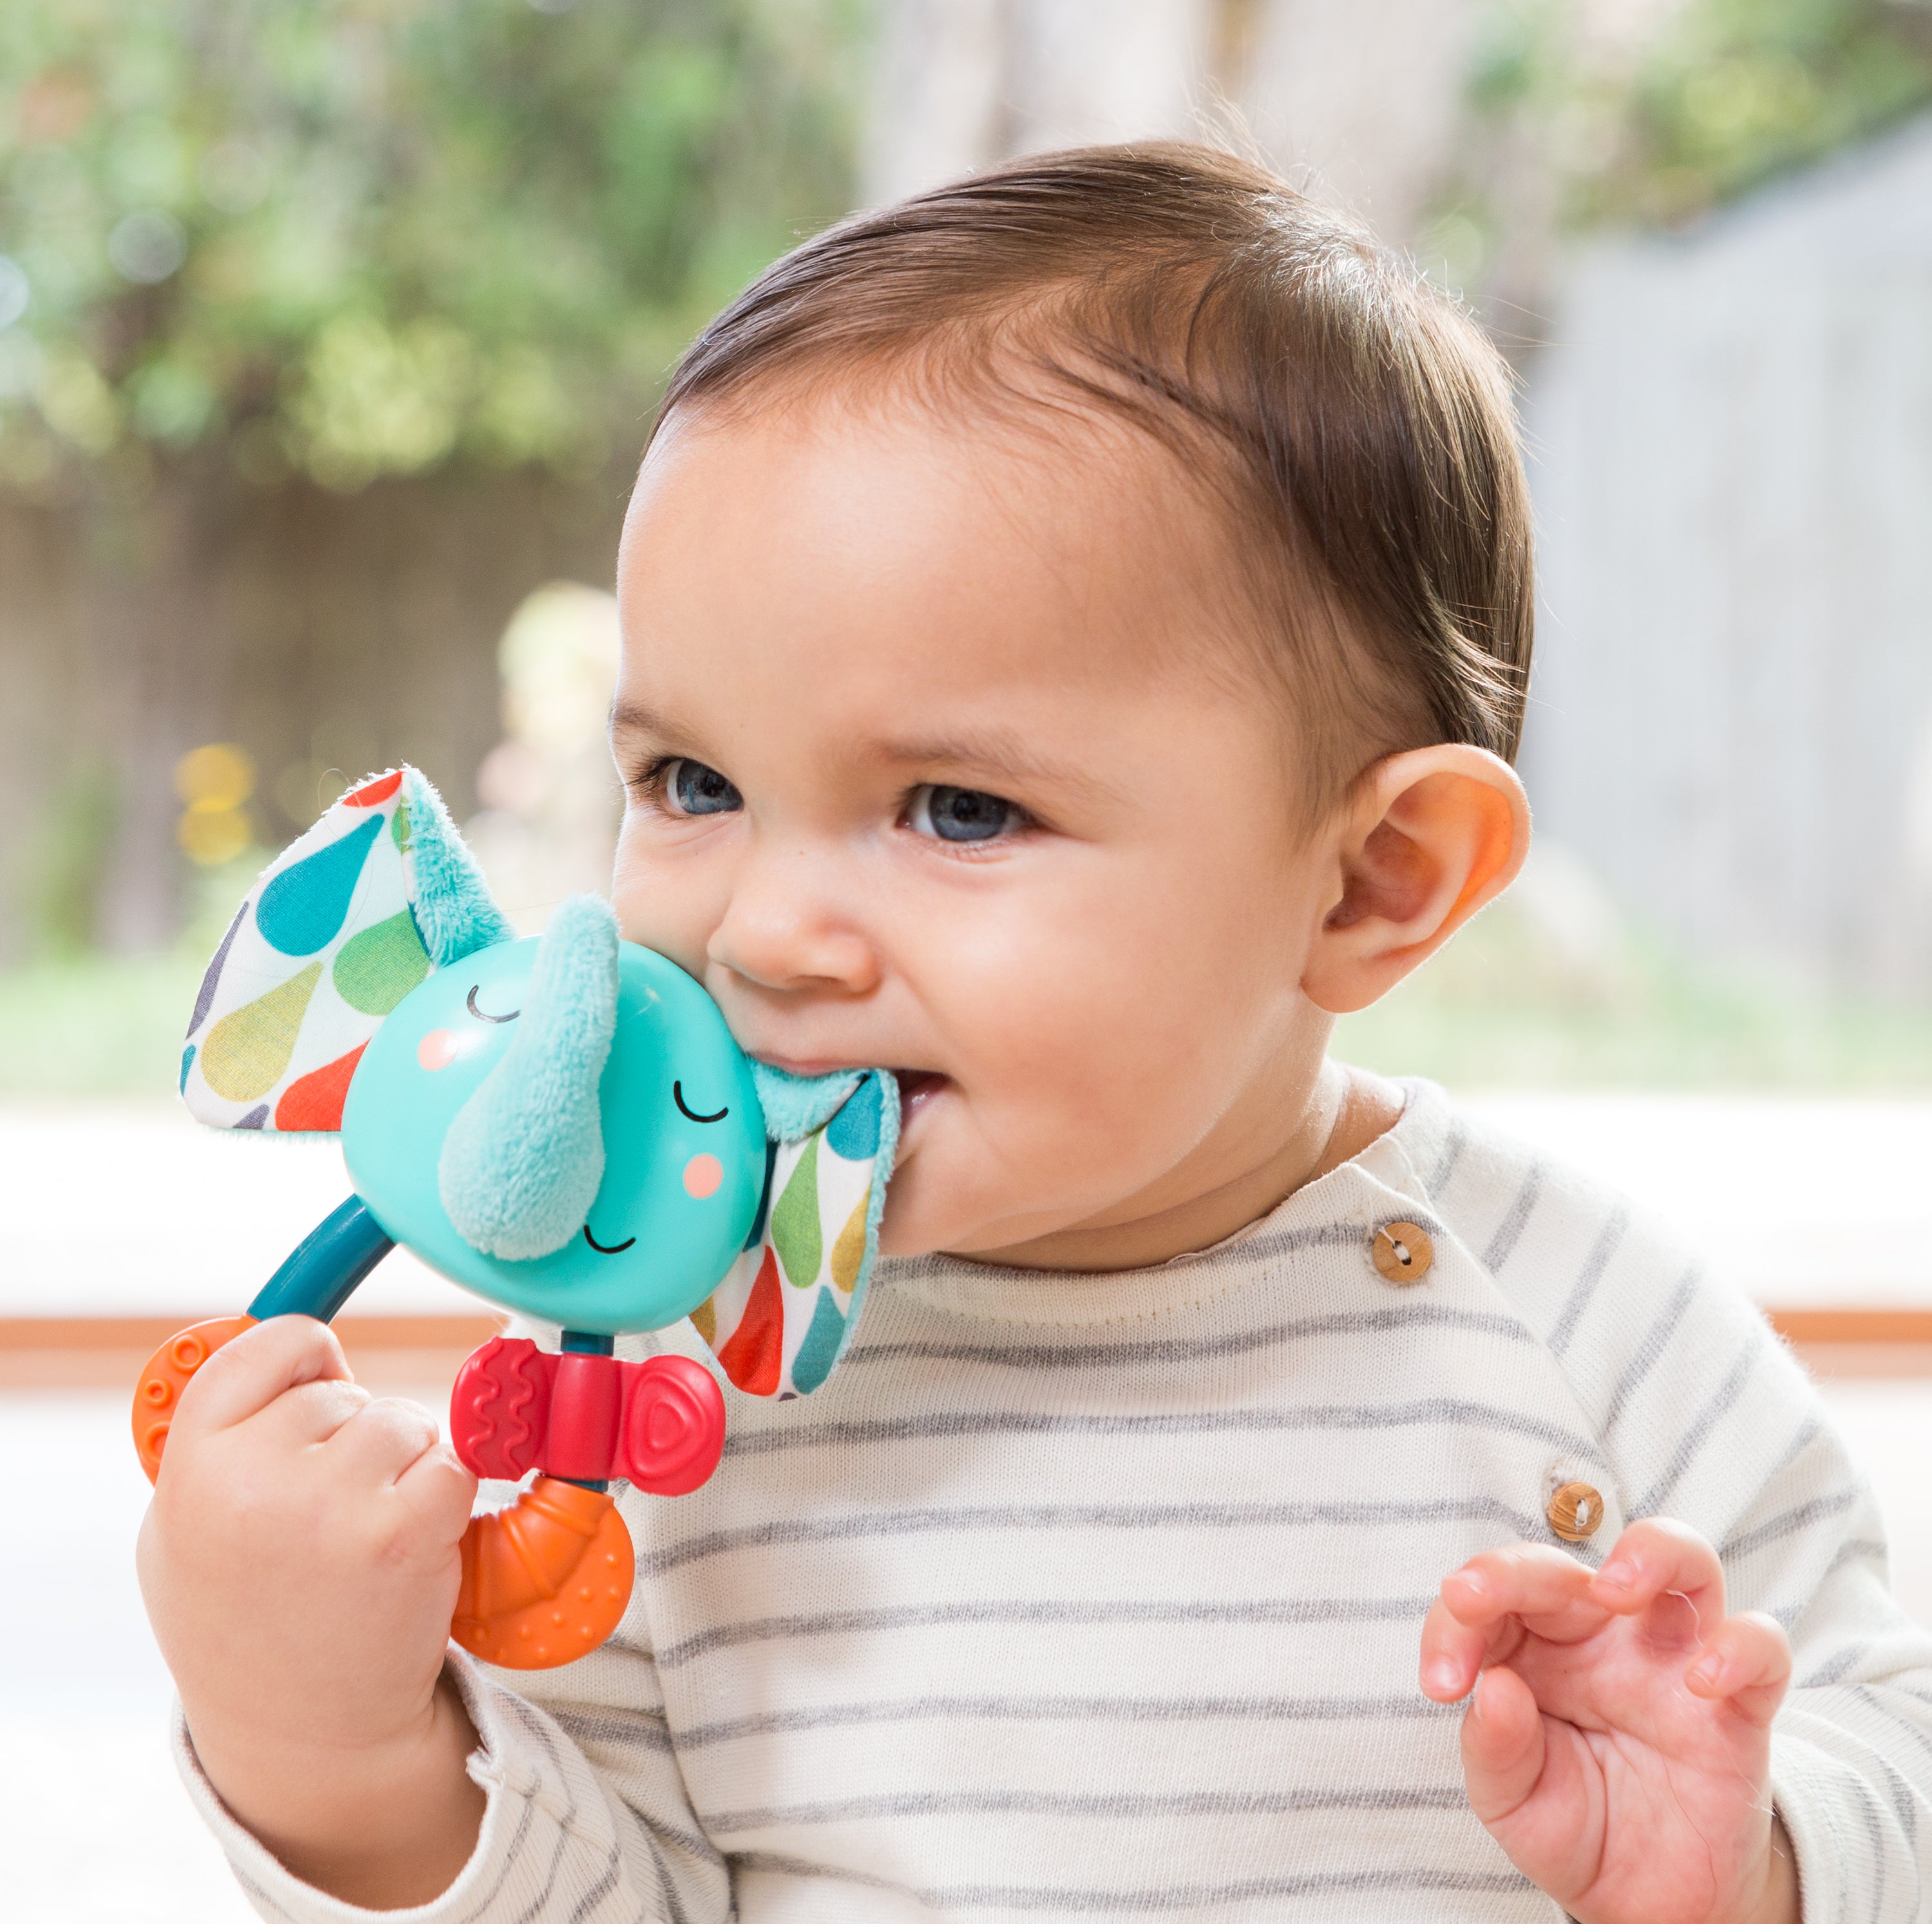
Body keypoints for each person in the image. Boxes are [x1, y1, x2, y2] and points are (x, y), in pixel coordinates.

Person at [138, 144, 1932, 1923]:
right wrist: (330, 1750)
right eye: (692, 783)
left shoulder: (1585, 1319)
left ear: (1371, 881)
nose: (762, 936)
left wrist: (1755, 1863)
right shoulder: (668, 1369)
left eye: (959, 810)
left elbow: (1891, 1740)